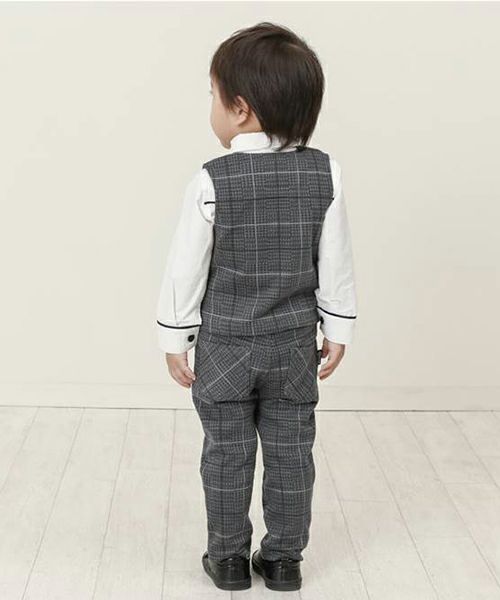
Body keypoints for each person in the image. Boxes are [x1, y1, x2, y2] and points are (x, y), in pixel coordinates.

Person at [156, 21, 357, 592]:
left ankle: (227, 559)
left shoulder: (212, 179)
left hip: (224, 348)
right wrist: (338, 328)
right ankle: (285, 560)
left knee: (226, 453)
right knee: (292, 452)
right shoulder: (324, 173)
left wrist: (175, 337)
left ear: (240, 109)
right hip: (293, 348)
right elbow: (336, 261)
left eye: (214, 96)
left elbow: (186, 269)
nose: (212, 109)